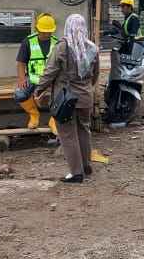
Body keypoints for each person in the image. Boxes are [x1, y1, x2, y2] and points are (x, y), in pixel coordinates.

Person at [35, 14, 99, 183]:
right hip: (85, 97)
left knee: (68, 134)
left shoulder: (62, 47)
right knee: (84, 130)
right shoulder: (92, 48)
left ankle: (76, 173)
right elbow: (95, 75)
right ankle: (86, 166)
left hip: (66, 99)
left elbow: (50, 71)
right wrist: (85, 87)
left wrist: (39, 89)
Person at [16, 13, 58, 130]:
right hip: (33, 78)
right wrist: (22, 78)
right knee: (19, 94)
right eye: (43, 31)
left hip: (51, 80)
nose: (46, 34)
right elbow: (21, 63)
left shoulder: (57, 43)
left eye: (49, 32)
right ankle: (34, 115)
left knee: (62, 95)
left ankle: (54, 120)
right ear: (37, 29)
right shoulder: (28, 42)